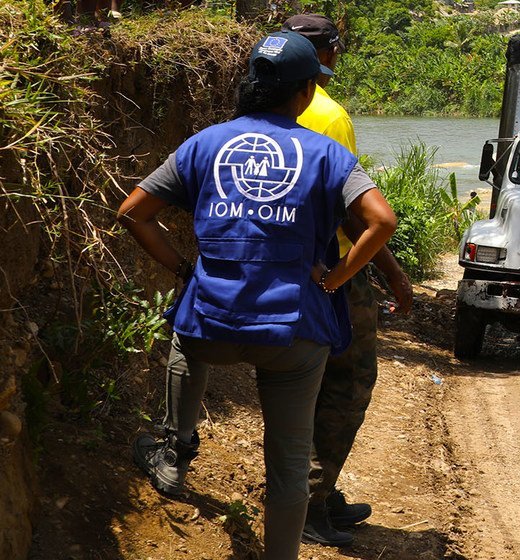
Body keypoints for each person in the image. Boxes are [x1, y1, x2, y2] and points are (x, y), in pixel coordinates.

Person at [122, 30, 397, 560]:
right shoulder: (328, 155)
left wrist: (185, 268)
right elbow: (380, 221)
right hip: (292, 332)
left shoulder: (204, 143)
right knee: (290, 463)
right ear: (306, 92)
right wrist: (336, 279)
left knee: (185, 338)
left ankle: (176, 452)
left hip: (212, 325)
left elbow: (133, 213)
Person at [284, 13, 415, 548]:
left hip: (280, 264)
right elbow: (355, 212)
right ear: (326, 55)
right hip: (330, 271)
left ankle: (314, 489)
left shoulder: (261, 106)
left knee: (302, 384)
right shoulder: (328, 114)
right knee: (349, 382)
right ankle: (310, 504)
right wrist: (391, 272)